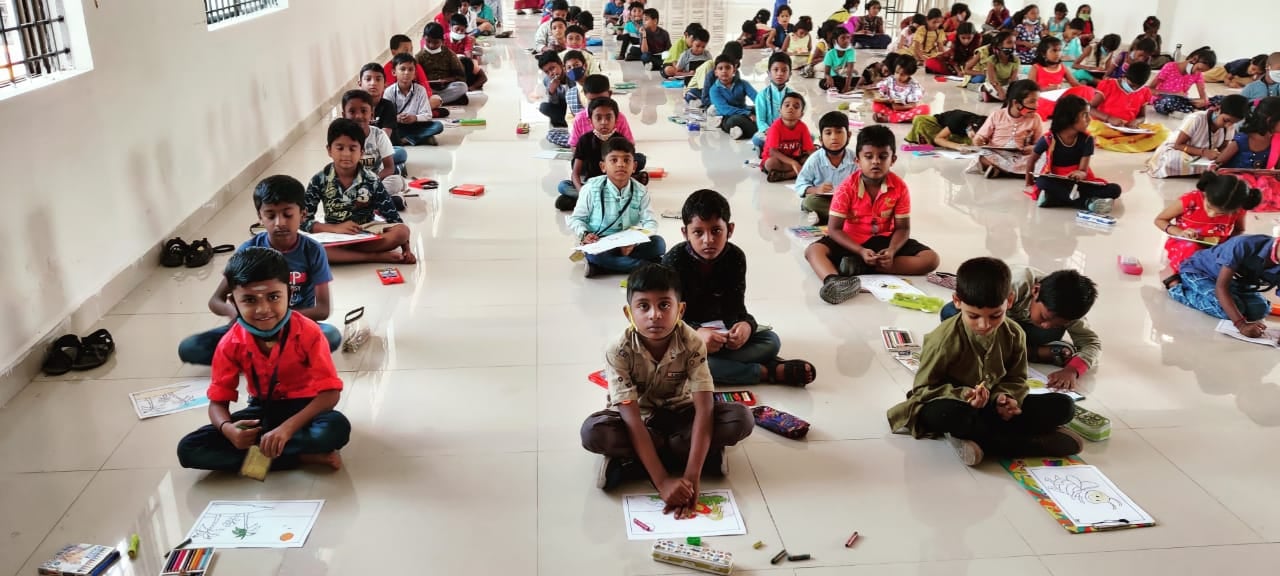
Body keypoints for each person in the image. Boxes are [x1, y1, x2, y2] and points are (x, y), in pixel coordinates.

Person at [888, 257, 1083, 466]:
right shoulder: (943, 340)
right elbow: (922, 390)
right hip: (952, 405)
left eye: (995, 315)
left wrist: (1005, 398)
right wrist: (965, 395)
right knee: (954, 415)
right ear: (957, 301)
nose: (984, 325)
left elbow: (1016, 379)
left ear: (1009, 300)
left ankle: (983, 440)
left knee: (1064, 407)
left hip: (990, 407)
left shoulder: (1015, 333)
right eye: (973, 316)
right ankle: (1027, 444)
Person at [579, 263, 753, 494]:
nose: (655, 315)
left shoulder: (692, 342)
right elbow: (632, 419)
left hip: (681, 415)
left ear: (680, 310)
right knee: (593, 432)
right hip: (639, 420)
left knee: (741, 418)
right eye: (643, 306)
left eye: (664, 305)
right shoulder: (618, 350)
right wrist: (662, 483)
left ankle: (630, 463)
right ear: (628, 313)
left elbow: (704, 409)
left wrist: (692, 477)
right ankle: (693, 456)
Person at [176, 247, 351, 472]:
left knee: (335, 429)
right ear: (234, 302)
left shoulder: (309, 332)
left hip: (306, 410)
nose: (263, 309)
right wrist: (228, 429)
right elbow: (218, 402)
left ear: (289, 293)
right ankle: (300, 457)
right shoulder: (229, 343)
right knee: (189, 449)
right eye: (249, 300)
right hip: (262, 410)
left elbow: (330, 394)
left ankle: (268, 454)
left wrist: (287, 429)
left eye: (274, 297)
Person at [178, 177, 342, 365]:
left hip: (295, 326)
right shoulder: (248, 250)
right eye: (270, 216)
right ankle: (273, 356)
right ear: (260, 217)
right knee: (190, 347)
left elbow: (322, 309)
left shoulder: (312, 251)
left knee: (330, 336)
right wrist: (237, 314)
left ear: (303, 215)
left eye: (288, 214)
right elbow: (215, 300)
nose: (279, 223)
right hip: (252, 327)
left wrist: (280, 318)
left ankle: (257, 357)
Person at [663, 190, 816, 387]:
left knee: (771, 341)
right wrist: (697, 333)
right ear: (685, 233)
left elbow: (735, 308)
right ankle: (766, 371)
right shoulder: (673, 261)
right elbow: (665, 319)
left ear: (730, 229)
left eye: (716, 231)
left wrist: (745, 326)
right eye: (698, 232)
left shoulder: (735, 257)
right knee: (681, 361)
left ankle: (714, 365)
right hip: (683, 337)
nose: (708, 240)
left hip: (720, 337)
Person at [805, 125, 940, 304]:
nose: (875, 161)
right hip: (851, 241)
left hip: (884, 240)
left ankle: (859, 266)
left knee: (931, 260)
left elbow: (903, 228)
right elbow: (834, 229)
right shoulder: (846, 188)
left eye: (883, 156)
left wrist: (892, 251)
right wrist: (860, 250)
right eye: (868, 157)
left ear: (893, 159)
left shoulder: (899, 187)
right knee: (813, 250)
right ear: (857, 160)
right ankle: (834, 281)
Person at [942, 265, 1101, 392]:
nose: (1046, 325)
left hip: (1023, 333)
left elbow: (1091, 343)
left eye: (1059, 324)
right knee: (950, 313)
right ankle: (1037, 352)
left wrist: (1072, 370)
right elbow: (980, 311)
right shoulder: (1014, 283)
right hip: (993, 321)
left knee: (1043, 332)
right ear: (1035, 291)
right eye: (1044, 317)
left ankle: (1020, 350)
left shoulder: (1071, 311)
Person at [303, 119, 415, 265]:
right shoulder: (319, 179)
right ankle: (375, 257)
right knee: (310, 248)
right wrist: (335, 228)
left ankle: (346, 253)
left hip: (366, 230)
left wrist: (407, 249)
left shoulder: (372, 179)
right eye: (340, 148)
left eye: (352, 148)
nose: (346, 154)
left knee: (402, 231)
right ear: (329, 150)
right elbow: (304, 220)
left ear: (361, 152)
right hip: (334, 232)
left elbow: (393, 217)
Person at [567, 138, 665, 277]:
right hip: (601, 242)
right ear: (603, 166)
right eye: (614, 160)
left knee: (659, 244)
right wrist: (585, 234)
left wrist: (635, 241)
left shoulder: (641, 191)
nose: (621, 164)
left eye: (626, 160)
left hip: (629, 244)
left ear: (634, 166)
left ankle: (603, 268)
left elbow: (650, 222)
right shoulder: (590, 188)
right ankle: (643, 266)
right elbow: (576, 219)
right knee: (594, 254)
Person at [1024, 95, 1122, 214]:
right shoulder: (1048, 139)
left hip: (1079, 182)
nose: (1089, 119)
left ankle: (1053, 199)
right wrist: (1029, 183)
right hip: (1056, 180)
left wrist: (1080, 173)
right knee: (1042, 181)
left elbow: (1083, 170)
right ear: (1069, 118)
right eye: (1085, 115)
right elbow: (1032, 160)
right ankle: (1087, 203)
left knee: (1115, 189)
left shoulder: (1087, 140)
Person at [1156, 172, 1261, 283]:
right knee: (1190, 251)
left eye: (1220, 213)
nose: (1211, 214)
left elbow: (1239, 229)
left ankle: (1207, 277)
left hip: (1215, 246)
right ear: (1205, 194)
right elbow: (1160, 220)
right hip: (1184, 242)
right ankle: (1189, 276)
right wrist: (1180, 232)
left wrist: (1227, 245)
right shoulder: (1190, 200)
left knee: (1241, 254)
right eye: (1209, 207)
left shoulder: (1238, 210)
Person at [1166, 234, 1280, 334]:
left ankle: (1230, 299)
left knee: (1260, 309)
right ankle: (1176, 287)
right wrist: (1241, 325)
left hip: (1235, 282)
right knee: (1225, 310)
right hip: (1201, 272)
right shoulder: (1244, 244)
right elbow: (1221, 287)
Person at [1147, 94, 1248, 178]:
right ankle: (1203, 170)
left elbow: (1223, 148)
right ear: (1218, 109)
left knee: (1230, 162)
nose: (1228, 125)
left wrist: (1221, 157)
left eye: (1233, 123)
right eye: (1226, 120)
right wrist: (1204, 152)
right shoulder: (1196, 118)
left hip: (1202, 157)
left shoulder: (1230, 126)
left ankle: (1201, 170)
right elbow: (1178, 145)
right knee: (1174, 160)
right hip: (1178, 150)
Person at [557, 97, 625, 211]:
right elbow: (575, 173)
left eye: (609, 117)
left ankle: (591, 202)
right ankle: (595, 201)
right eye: (598, 118)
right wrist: (581, 191)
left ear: (616, 119)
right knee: (563, 186)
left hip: (614, 187)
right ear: (590, 121)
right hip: (591, 186)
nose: (604, 122)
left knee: (564, 201)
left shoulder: (621, 141)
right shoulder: (585, 140)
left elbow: (624, 175)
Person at [342, 90, 408, 207]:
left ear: (372, 114)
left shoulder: (379, 135)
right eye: (352, 111)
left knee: (397, 181)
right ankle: (382, 201)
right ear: (344, 115)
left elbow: (389, 168)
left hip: (377, 180)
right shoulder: (342, 140)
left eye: (364, 111)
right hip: (354, 184)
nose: (358, 116)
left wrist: (371, 182)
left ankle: (368, 202)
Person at [1088, 62, 1170, 153]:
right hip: (1105, 125)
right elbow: (1089, 108)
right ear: (1124, 77)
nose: (1134, 89)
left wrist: (1136, 121)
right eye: (1132, 85)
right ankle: (1131, 143)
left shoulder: (1145, 91)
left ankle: (1114, 142)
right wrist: (1109, 118)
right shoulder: (1108, 85)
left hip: (1127, 128)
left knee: (1163, 132)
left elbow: (1142, 116)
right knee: (1096, 128)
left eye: (1139, 86)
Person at [968, 80, 1043, 178]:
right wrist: (978, 139)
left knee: (1045, 157)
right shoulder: (997, 115)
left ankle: (1002, 170)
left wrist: (1033, 148)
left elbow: (1040, 144)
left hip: (1021, 156)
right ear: (1016, 103)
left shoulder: (1035, 119)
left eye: (1037, 101)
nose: (1036, 105)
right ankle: (1018, 172)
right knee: (982, 155)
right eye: (1032, 101)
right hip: (997, 155)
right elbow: (981, 136)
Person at [796, 111, 858, 224]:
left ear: (848, 135)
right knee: (809, 202)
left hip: (847, 200)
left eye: (839, 132)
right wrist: (817, 190)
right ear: (821, 139)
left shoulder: (855, 159)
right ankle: (845, 217)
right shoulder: (815, 159)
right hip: (823, 200)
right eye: (828, 133)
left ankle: (829, 217)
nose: (834, 137)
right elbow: (800, 184)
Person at [384, 54, 444, 147]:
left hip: (416, 125)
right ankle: (422, 138)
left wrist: (415, 118)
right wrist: (397, 118)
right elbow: (385, 117)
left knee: (438, 126)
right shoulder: (389, 91)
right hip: (398, 126)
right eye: (402, 69)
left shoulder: (420, 90)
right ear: (394, 72)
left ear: (415, 73)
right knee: (386, 130)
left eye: (410, 69)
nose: (406, 73)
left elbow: (428, 115)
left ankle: (407, 139)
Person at [358, 63, 407, 175]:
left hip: (385, 149)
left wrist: (369, 154)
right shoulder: (356, 106)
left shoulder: (388, 106)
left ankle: (370, 166)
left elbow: (385, 136)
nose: (373, 83)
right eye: (368, 79)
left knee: (401, 153)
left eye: (378, 79)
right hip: (362, 150)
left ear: (385, 84)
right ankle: (389, 168)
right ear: (360, 84)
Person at [761, 93, 814, 183]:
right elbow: (773, 152)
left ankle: (786, 175)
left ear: (801, 114)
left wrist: (819, 160)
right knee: (770, 163)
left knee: (810, 159)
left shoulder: (803, 127)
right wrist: (793, 163)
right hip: (778, 159)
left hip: (794, 157)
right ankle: (800, 173)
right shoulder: (775, 126)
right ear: (780, 111)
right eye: (787, 105)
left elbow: (810, 150)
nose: (791, 108)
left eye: (796, 107)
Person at [1149, 47, 1216, 116]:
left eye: (1202, 71)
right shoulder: (1170, 67)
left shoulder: (1198, 74)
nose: (1197, 72)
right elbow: (1149, 90)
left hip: (1181, 101)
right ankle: (1187, 111)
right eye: (1198, 69)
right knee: (1169, 101)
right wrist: (1174, 94)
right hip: (1163, 100)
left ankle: (1186, 111)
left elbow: (1204, 95)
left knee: (1218, 100)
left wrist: (1203, 101)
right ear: (1194, 59)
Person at [1218, 97, 1280, 170]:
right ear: (1269, 120)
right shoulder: (1243, 140)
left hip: (1261, 177)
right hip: (1233, 177)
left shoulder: (1276, 141)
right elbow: (1217, 165)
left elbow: (1277, 170)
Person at [416, 23, 471, 105]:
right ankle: (445, 100)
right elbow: (416, 79)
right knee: (417, 90)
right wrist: (426, 83)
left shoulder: (449, 54)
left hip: (446, 87)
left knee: (462, 87)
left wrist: (448, 80)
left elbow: (460, 76)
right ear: (423, 38)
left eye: (436, 42)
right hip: (429, 89)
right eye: (428, 41)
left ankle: (432, 101)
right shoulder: (419, 57)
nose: (431, 45)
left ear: (442, 41)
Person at [707, 55, 757, 141]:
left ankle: (744, 129)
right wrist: (747, 114)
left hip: (743, 110)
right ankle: (756, 129)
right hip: (727, 116)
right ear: (716, 72)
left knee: (759, 109)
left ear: (734, 70)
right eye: (720, 68)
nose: (724, 71)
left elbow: (757, 98)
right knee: (733, 121)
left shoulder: (743, 83)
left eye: (727, 68)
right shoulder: (714, 90)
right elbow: (725, 109)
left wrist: (763, 110)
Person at [753, 52, 794, 150]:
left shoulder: (793, 95)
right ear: (769, 73)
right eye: (776, 70)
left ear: (789, 74)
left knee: (810, 136)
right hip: (769, 133)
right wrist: (771, 131)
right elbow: (761, 121)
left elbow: (796, 119)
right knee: (757, 138)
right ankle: (785, 147)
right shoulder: (762, 95)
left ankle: (776, 147)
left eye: (784, 70)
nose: (780, 73)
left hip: (788, 132)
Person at [872, 56, 929, 123]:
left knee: (925, 109)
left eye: (902, 75)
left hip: (906, 110)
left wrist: (900, 107)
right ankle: (901, 118)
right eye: (897, 72)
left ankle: (890, 118)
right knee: (876, 105)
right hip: (890, 107)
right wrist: (886, 100)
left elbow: (912, 105)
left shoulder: (914, 86)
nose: (898, 76)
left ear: (909, 74)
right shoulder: (890, 80)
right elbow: (879, 92)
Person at [687, 41, 743, 107]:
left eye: (737, 62)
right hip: (698, 92)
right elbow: (705, 94)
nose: (735, 65)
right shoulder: (709, 67)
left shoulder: (735, 71)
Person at [446, 14, 490, 89]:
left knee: (475, 69)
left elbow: (468, 54)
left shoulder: (467, 39)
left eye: (462, 30)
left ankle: (469, 85)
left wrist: (472, 87)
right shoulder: (443, 39)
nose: (459, 32)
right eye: (457, 29)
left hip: (463, 63)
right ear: (450, 27)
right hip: (448, 64)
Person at [906, 109, 986, 150]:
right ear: (970, 128)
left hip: (957, 135)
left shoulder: (984, 122)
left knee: (971, 142)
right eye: (973, 135)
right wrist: (957, 146)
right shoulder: (958, 120)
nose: (974, 137)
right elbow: (938, 139)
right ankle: (946, 142)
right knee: (920, 120)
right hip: (939, 128)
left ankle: (947, 142)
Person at [977, 31, 1020, 102]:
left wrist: (1011, 90)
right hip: (993, 84)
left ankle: (992, 97)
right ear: (999, 45)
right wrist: (1000, 91)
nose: (1013, 45)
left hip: (1006, 85)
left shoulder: (1016, 60)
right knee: (990, 89)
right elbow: (992, 80)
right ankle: (985, 91)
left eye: (1014, 42)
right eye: (1009, 42)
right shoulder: (992, 60)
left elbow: (1013, 79)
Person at [819, 26, 857, 93]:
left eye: (848, 37)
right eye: (843, 38)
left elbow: (849, 72)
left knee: (861, 78)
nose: (846, 40)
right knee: (822, 83)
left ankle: (845, 87)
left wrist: (846, 88)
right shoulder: (830, 54)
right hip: (835, 78)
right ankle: (846, 87)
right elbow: (826, 73)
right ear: (835, 41)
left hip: (846, 77)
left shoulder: (851, 51)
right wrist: (829, 77)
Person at [538, 52, 570, 129]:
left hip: (575, 105)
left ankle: (566, 121)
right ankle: (567, 121)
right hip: (562, 106)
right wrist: (552, 91)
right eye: (547, 72)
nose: (551, 73)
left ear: (561, 64)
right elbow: (554, 103)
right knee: (544, 107)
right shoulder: (547, 80)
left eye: (552, 68)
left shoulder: (570, 75)